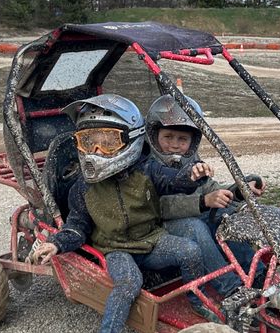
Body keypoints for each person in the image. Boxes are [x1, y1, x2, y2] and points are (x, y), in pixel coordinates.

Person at [31, 94, 219, 333]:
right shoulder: (83, 189)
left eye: (107, 142)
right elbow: (77, 227)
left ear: (130, 139)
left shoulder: (147, 170)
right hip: (115, 249)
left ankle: (197, 301)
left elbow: (173, 180)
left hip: (151, 239)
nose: (96, 151)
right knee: (128, 284)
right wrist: (56, 243)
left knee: (190, 251)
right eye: (88, 142)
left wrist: (192, 175)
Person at [145, 94, 269, 281]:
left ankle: (258, 274)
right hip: (157, 225)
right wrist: (203, 202)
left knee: (225, 215)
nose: (175, 145)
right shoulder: (148, 165)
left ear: (193, 141)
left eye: (182, 139)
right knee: (195, 227)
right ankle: (229, 287)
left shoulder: (190, 160)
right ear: (155, 136)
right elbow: (159, 206)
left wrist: (238, 191)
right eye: (168, 137)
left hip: (191, 214)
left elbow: (210, 187)